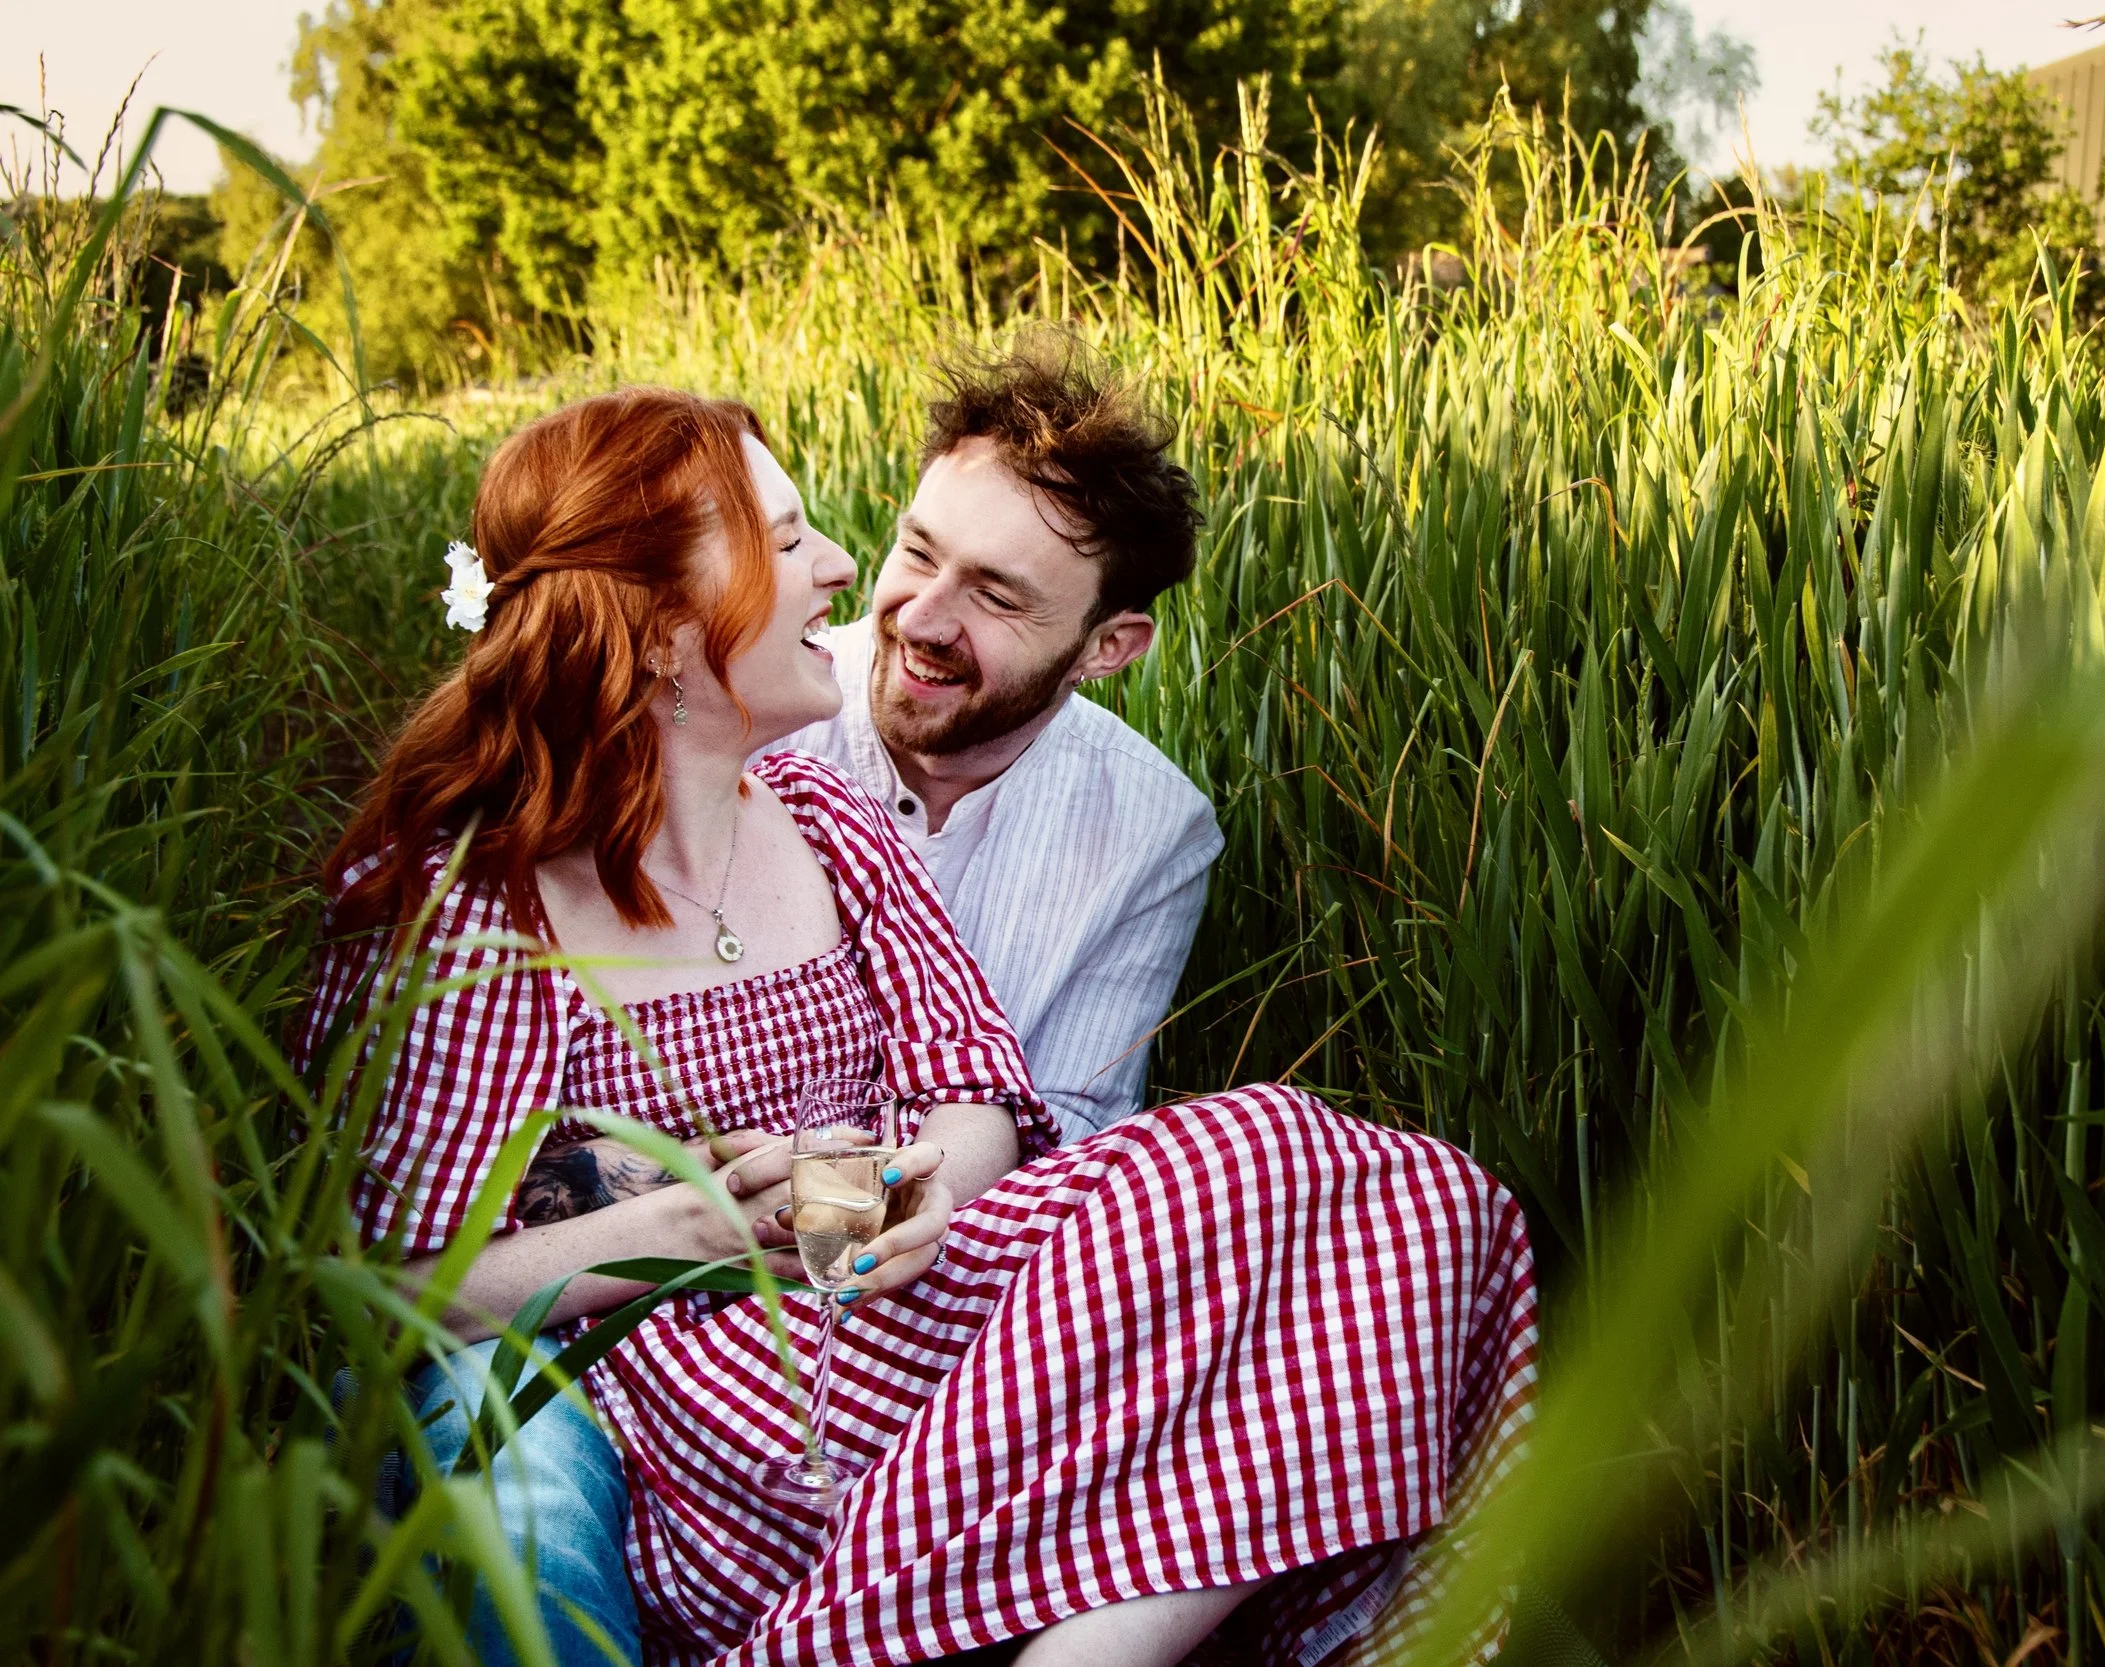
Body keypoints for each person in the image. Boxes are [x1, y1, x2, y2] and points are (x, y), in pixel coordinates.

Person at [296, 386, 1537, 1667]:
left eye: (997, 596)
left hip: (891, 1275)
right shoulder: (482, 901)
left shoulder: (831, 828)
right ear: (663, 629)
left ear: (1108, 641)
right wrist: (689, 1216)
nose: (847, 573)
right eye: (790, 544)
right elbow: (377, 1282)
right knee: (1268, 1152)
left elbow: (985, 1100)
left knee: (1413, 1196)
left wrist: (865, 1195)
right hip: (701, 1371)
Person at [781, 339, 1219, 1138]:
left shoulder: (1155, 828)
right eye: (919, 553)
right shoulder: (761, 719)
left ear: (1107, 647)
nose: (919, 619)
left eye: (997, 597)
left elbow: (1073, 1119)